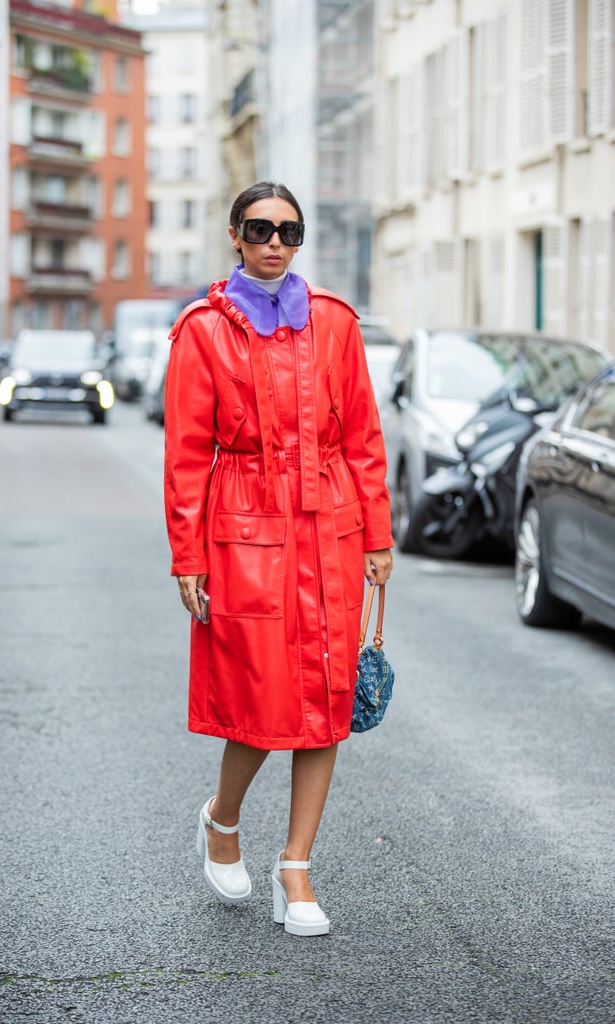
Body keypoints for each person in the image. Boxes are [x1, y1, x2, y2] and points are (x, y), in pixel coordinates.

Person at [163, 181, 393, 937]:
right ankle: (222, 819)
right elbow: (187, 453)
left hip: (331, 526)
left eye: (289, 231)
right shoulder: (203, 328)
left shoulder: (332, 321)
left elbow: (361, 436)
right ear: (234, 235)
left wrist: (380, 534)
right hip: (245, 526)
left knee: (326, 705)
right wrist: (187, 554)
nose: (274, 242)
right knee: (260, 700)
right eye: (259, 228)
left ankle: (295, 866)